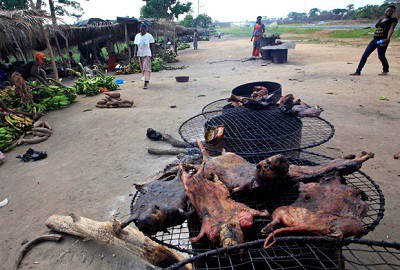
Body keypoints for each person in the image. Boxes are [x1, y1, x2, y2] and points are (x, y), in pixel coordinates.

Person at [350, 5, 398, 76]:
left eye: (390, 11)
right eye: (387, 11)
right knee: (365, 55)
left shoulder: (393, 20)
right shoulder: (381, 20)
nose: (388, 12)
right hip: (375, 39)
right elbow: (377, 26)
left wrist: (387, 39)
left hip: (383, 40)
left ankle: (385, 70)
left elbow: (391, 29)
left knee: (381, 56)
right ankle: (358, 71)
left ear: (393, 12)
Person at [134, 24, 155, 89]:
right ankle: (146, 79)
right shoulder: (137, 36)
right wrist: (135, 54)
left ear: (146, 30)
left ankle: (145, 83)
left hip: (147, 54)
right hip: (140, 54)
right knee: (142, 68)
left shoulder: (149, 36)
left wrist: (152, 55)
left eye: (143, 30)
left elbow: (151, 46)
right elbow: (136, 46)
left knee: (146, 67)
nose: (142, 31)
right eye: (141, 30)